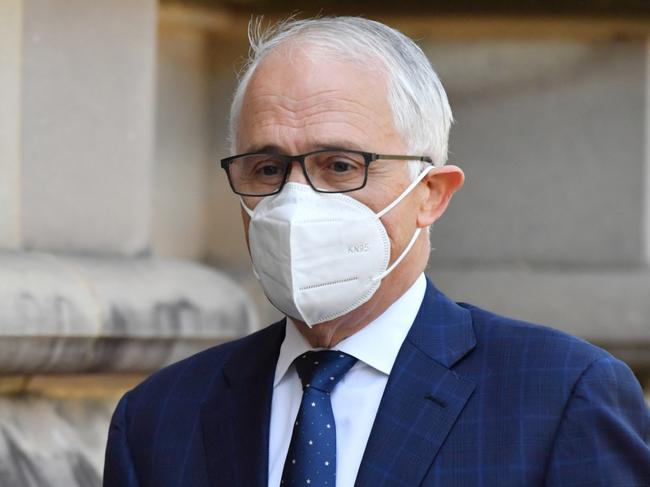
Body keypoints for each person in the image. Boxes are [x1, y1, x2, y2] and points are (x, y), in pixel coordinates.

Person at [104, 16, 650, 486]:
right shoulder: (160, 416)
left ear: (431, 194)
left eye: (340, 166)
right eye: (267, 169)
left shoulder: (558, 395)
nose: (296, 200)